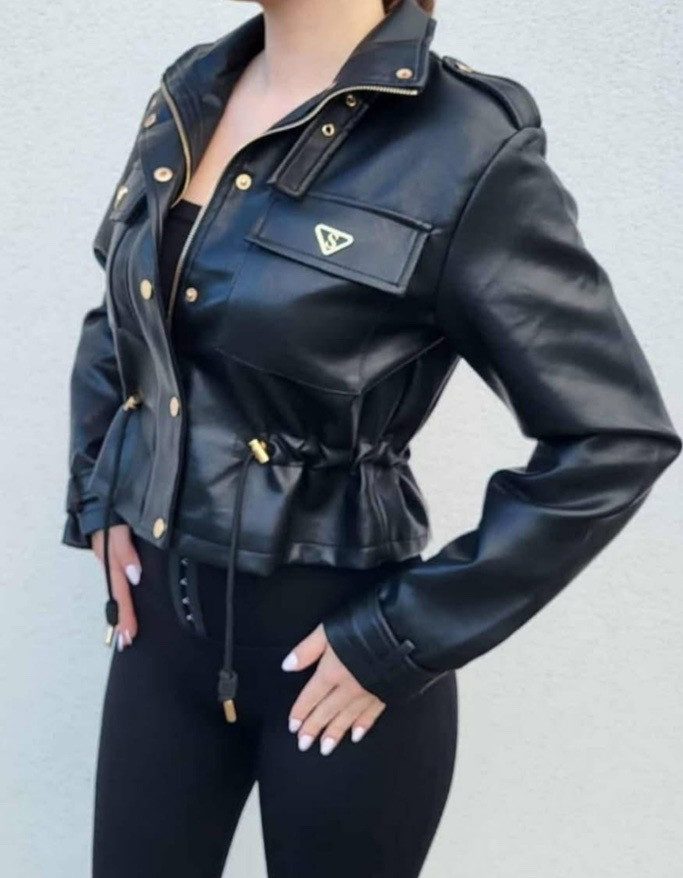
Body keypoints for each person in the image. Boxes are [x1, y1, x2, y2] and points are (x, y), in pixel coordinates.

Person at [61, 0, 681, 875]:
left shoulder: (463, 145)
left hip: (338, 667)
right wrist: (98, 488)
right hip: (157, 644)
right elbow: (123, 315)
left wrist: (401, 638)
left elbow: (614, 435)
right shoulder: (189, 90)